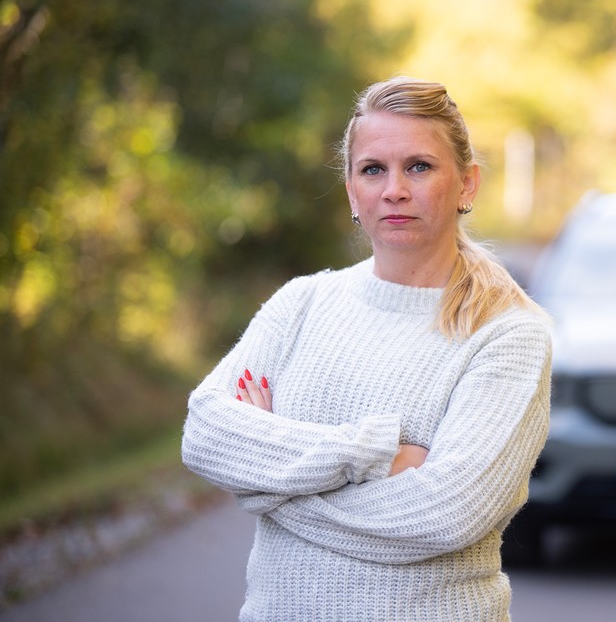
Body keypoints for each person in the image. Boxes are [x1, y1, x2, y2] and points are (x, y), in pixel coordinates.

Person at [181, 76, 552, 621]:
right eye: (373, 169)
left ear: (467, 185)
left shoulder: (508, 333)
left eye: (419, 167)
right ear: (352, 190)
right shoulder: (303, 302)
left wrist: (268, 479)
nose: (394, 189)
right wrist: (375, 452)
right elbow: (207, 433)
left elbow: (443, 515)